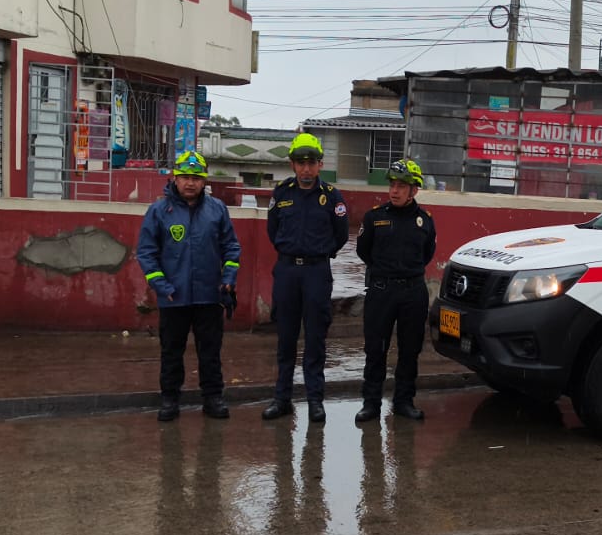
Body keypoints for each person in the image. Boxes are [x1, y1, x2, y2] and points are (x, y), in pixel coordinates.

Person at [137, 151, 242, 422]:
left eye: (196, 178)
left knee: (210, 351)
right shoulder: (159, 211)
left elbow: (231, 247)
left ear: (204, 180)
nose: (190, 183)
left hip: (209, 296)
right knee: (171, 351)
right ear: (175, 177)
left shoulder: (217, 209)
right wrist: (161, 285)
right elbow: (147, 252)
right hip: (174, 297)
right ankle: (170, 399)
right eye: (185, 177)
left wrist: (228, 280)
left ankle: (213, 398)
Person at [262, 132, 350, 424]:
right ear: (292, 164)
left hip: (316, 272)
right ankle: (282, 399)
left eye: (311, 162)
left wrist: (319, 254)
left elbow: (340, 235)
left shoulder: (332, 196)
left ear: (320, 164)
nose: (306, 168)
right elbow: (273, 231)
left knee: (315, 338)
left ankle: (315, 400)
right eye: (300, 162)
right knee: (286, 338)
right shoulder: (282, 193)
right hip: (287, 271)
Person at [354, 159, 436, 422]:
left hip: (413, 292)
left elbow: (427, 254)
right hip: (382, 291)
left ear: (414, 190)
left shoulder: (425, 221)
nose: (394, 190)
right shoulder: (375, 217)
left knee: (410, 350)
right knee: (375, 349)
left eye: (401, 186)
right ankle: (371, 404)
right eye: (392, 184)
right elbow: (363, 251)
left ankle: (403, 402)